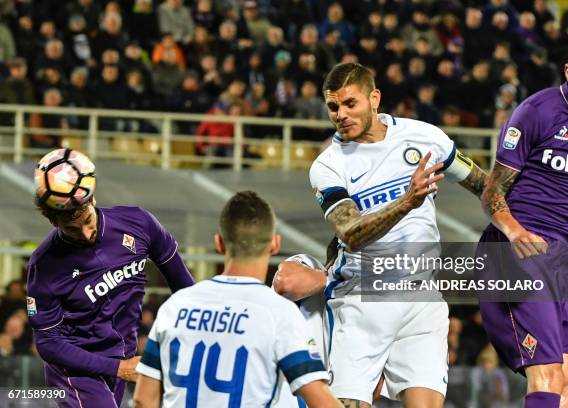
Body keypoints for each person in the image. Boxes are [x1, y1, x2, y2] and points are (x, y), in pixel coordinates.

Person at [309, 62, 489, 407]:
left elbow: (484, 186)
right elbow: (350, 233)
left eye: (350, 103)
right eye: (333, 106)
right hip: (362, 299)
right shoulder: (329, 165)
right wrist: (407, 201)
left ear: (374, 98)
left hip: (422, 298)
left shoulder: (425, 137)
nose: (340, 114)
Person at [478, 29, 568, 408]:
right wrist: (517, 232)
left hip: (565, 253)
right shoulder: (537, 112)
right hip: (514, 247)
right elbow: (491, 194)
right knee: (548, 372)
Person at [134, 191, 341, 407]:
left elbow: (143, 399)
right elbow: (321, 401)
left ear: (219, 243)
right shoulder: (279, 313)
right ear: (275, 244)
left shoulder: (175, 307)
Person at [27, 148, 195, 408]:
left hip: (123, 359)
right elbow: (48, 344)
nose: (84, 234)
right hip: (77, 370)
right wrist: (117, 368)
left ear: (92, 200)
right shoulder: (44, 264)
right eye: (71, 228)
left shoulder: (139, 223)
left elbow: (185, 288)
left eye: (87, 221)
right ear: (53, 222)